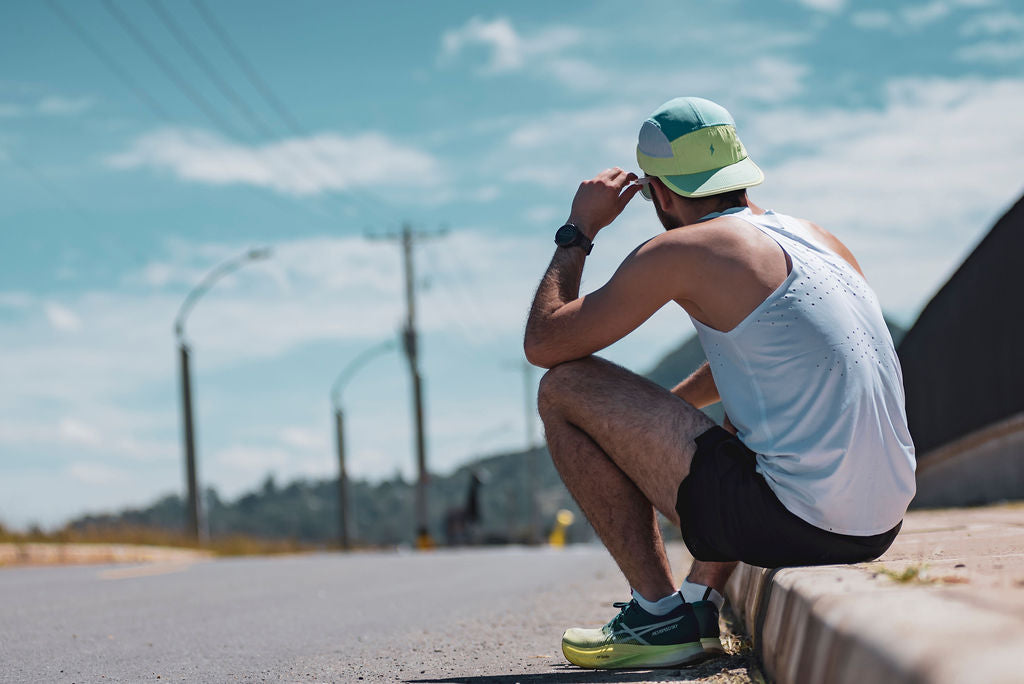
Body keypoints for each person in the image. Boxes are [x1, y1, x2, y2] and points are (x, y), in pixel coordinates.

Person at [524, 96, 916, 670]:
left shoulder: (685, 248)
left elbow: (545, 343)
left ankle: (659, 619)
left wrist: (578, 228)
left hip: (797, 523)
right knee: (755, 410)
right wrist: (653, 426)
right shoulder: (817, 238)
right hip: (879, 523)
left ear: (658, 192)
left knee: (564, 387)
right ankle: (699, 601)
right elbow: (770, 361)